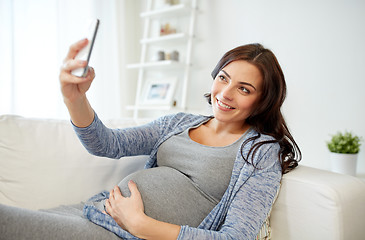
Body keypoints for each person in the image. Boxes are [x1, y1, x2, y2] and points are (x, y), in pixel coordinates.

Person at [0, 40, 301, 240]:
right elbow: (108, 145)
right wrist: (74, 99)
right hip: (95, 211)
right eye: (223, 78)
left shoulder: (260, 152)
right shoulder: (178, 123)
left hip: (123, 234)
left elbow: (236, 237)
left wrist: (143, 225)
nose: (225, 93)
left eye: (244, 89)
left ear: (264, 100)